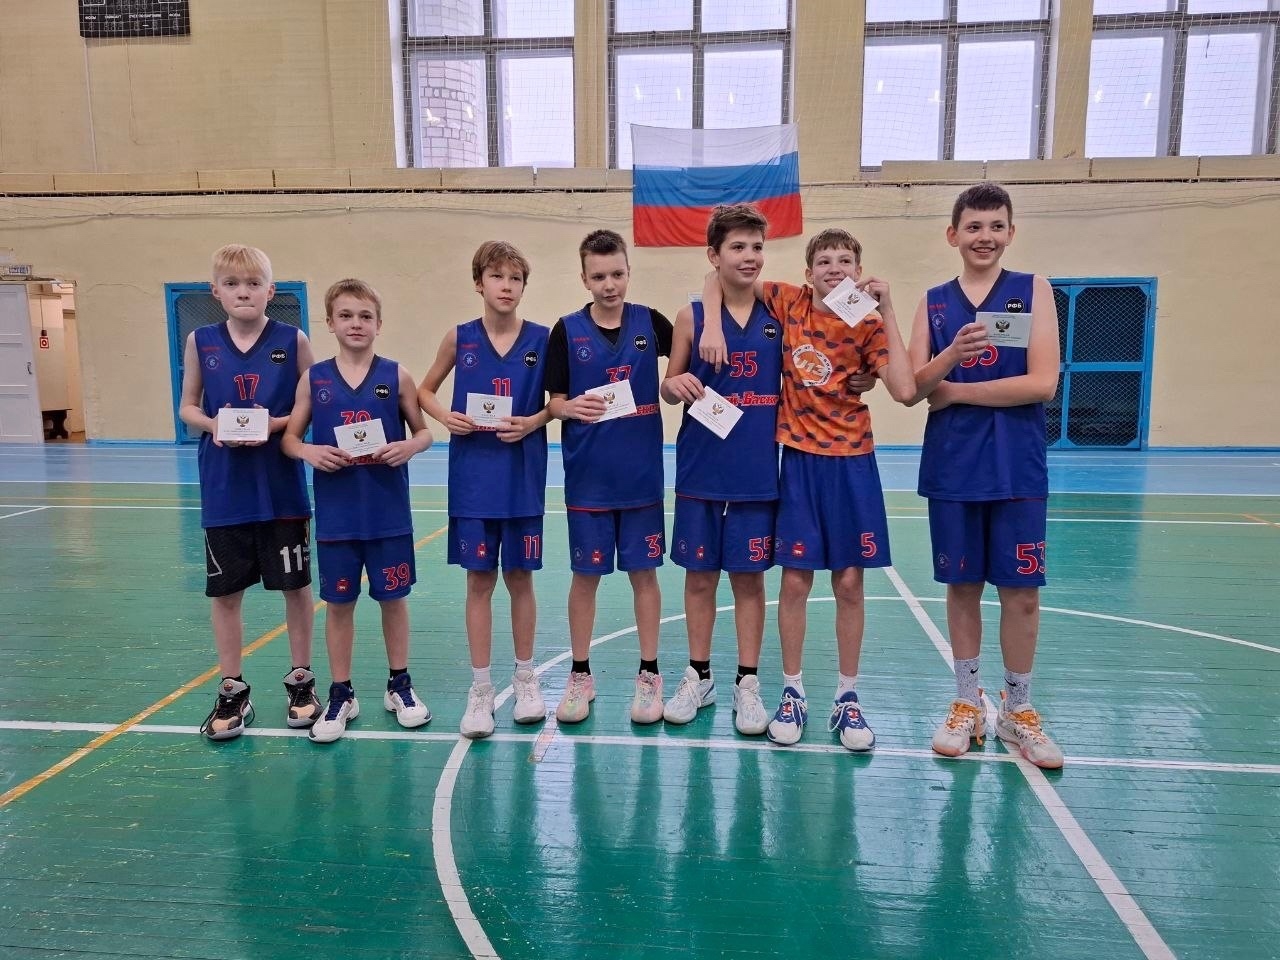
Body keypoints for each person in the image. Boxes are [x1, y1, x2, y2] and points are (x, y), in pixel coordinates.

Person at [700, 229, 916, 750]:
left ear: (859, 270)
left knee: (850, 583)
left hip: (852, 462)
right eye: (824, 261)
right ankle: (792, 691)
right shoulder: (789, 300)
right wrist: (709, 322)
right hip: (798, 460)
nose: (834, 268)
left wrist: (887, 309)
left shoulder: (867, 321)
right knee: (795, 583)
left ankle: (847, 697)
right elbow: (716, 277)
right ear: (808, 272)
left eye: (845, 260)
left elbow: (905, 389)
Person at [906, 183, 1063, 769]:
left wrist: (958, 391)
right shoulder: (934, 302)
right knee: (963, 588)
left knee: (1021, 593)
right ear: (953, 234)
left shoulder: (1033, 289)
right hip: (953, 466)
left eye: (996, 226)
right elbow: (915, 388)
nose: (985, 237)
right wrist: (946, 365)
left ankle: (1018, 709)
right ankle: (967, 702)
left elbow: (1042, 383)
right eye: (973, 226)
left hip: (1017, 465)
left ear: (1011, 233)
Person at [282, 279, 434, 743]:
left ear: (379, 324)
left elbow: (424, 432)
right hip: (338, 517)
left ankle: (399, 685)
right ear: (330, 322)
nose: (356, 324)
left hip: (387, 513)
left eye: (365, 316)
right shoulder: (315, 379)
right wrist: (309, 452)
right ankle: (342, 693)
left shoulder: (396, 375)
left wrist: (409, 446)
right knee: (339, 604)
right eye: (346, 315)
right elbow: (290, 439)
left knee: (393, 599)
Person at [178, 243, 320, 741]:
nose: (244, 292)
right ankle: (232, 689)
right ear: (215, 291)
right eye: (233, 284)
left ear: (270, 291)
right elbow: (188, 407)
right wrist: (215, 424)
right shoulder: (201, 341)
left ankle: (301, 682)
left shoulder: (293, 339)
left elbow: (312, 402)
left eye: (254, 284)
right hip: (225, 488)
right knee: (226, 593)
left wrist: (274, 425)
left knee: (296, 587)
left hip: (280, 487)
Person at [418, 241, 550, 739]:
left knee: (520, 578)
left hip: (522, 477)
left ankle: (526, 678)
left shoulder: (542, 339)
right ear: (479, 283)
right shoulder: (460, 338)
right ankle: (480, 689)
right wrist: (444, 415)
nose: (506, 286)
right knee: (479, 582)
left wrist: (533, 421)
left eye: (515, 278)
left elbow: (558, 402)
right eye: (497, 276)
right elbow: (424, 389)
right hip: (473, 478)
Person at [659, 203, 782, 735]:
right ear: (714, 255)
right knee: (700, 577)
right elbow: (668, 386)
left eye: (757, 246)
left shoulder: (779, 310)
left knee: (749, 581)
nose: (749, 256)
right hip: (701, 466)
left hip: (756, 471)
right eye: (737, 247)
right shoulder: (691, 317)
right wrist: (676, 384)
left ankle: (747, 683)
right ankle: (700, 675)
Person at [544, 229, 672, 725]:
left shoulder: (650, 323)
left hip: (641, 478)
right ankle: (580, 675)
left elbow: (688, 359)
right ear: (584, 278)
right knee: (585, 578)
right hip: (588, 480)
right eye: (599, 276)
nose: (609, 284)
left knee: (645, 576)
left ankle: (649, 675)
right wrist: (568, 406)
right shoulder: (566, 330)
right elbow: (554, 402)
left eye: (617, 274)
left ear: (628, 272)